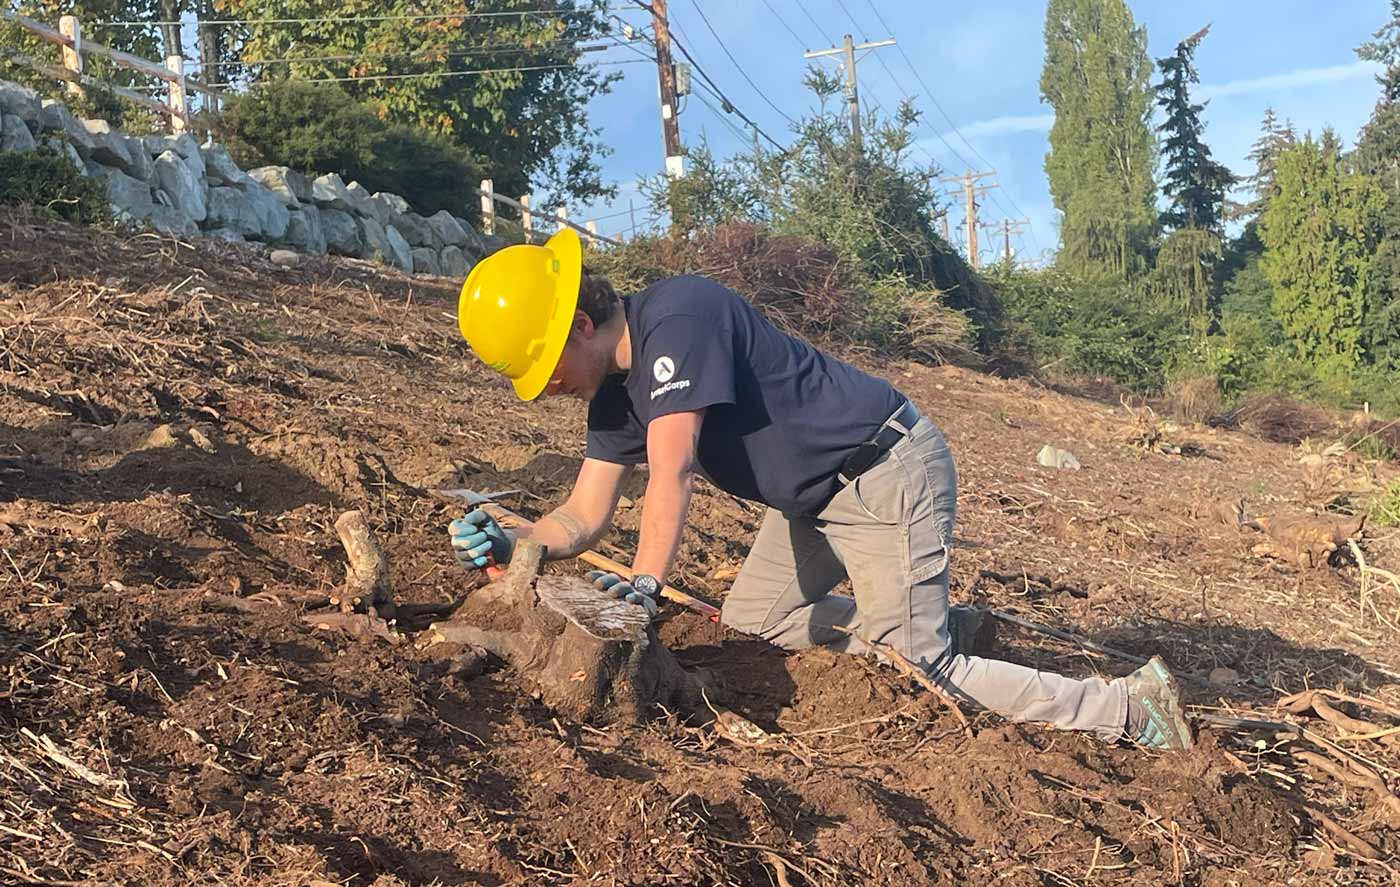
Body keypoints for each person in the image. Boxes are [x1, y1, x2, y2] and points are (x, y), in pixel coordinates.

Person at [447, 227, 1193, 751]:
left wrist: (646, 583)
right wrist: (517, 539)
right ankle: (939, 623)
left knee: (921, 668)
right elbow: (582, 513)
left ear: (580, 324)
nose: (544, 390)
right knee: (756, 620)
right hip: (812, 501)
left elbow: (672, 469)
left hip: (884, 472)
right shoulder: (612, 399)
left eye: (543, 369)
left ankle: (1128, 706)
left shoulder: (680, 316)